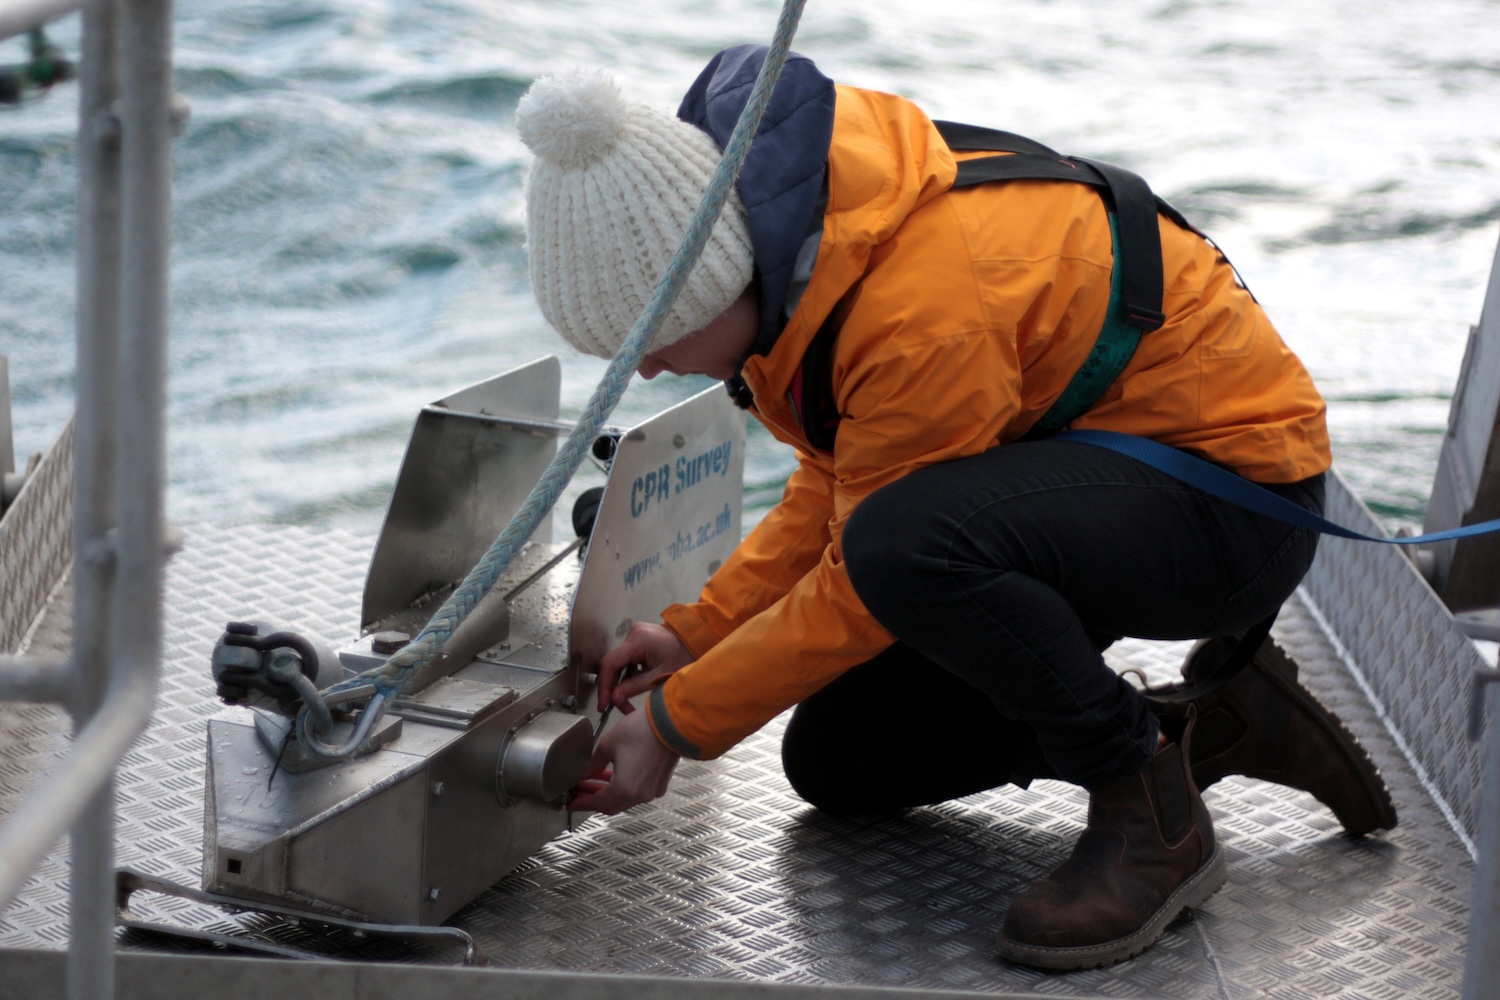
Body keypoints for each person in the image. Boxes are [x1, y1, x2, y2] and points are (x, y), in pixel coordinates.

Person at [515, 46, 1395, 970]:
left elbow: (871, 564)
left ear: (709, 281)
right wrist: (700, 633)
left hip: (1234, 503)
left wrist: (674, 725)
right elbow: (839, 475)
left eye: (648, 342)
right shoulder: (793, 262)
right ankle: (1210, 723)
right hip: (1079, 482)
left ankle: (1148, 811)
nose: (648, 370)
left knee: (907, 550)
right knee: (846, 763)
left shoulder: (919, 308)